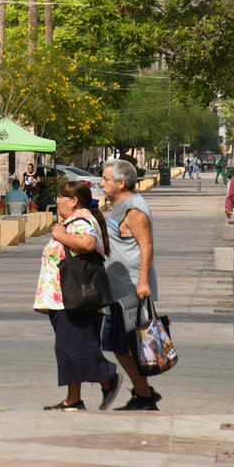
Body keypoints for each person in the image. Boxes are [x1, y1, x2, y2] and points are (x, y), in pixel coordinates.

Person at [34, 180, 120, 412]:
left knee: (75, 347)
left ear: (74, 201)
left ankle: (107, 378)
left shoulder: (80, 220)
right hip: (64, 297)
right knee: (70, 347)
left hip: (74, 297)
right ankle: (73, 399)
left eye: (61, 197)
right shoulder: (75, 220)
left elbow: (88, 244)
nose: (57, 201)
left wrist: (61, 235)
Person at [100, 158, 161, 411]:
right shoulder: (119, 205)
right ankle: (143, 392)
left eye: (105, 180)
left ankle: (144, 395)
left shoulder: (134, 209)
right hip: (117, 290)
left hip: (131, 290)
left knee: (126, 344)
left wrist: (143, 281)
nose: (102, 184)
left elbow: (146, 244)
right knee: (118, 344)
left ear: (121, 182)